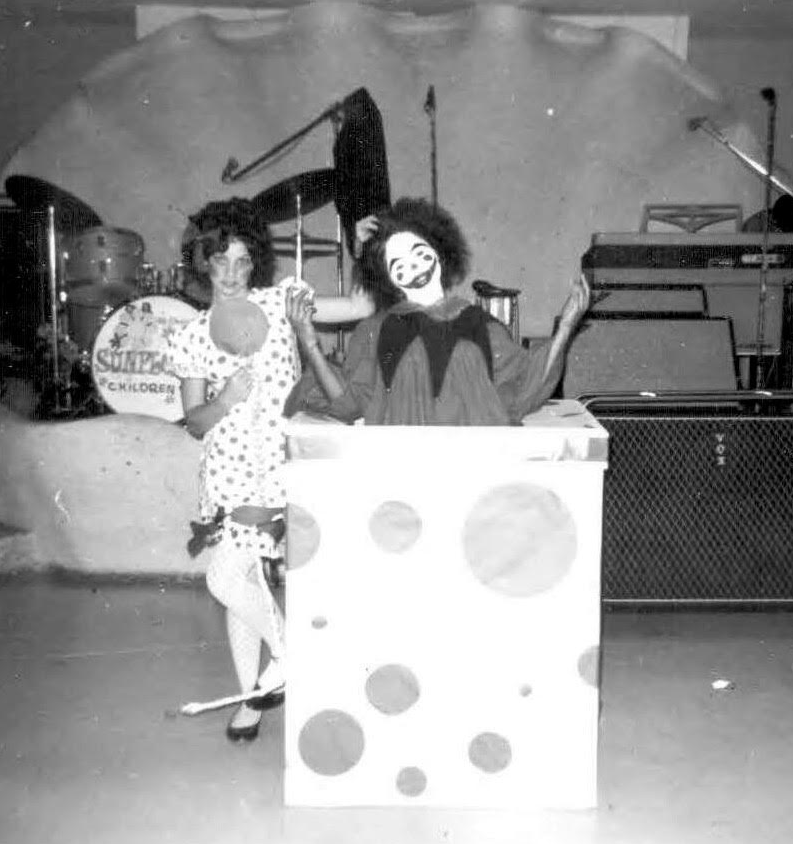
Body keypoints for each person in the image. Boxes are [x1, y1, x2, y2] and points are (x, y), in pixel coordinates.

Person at [169, 197, 373, 742]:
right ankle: (255, 696)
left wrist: (368, 243)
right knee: (246, 580)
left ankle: (288, 656)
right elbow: (194, 422)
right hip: (230, 473)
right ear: (203, 262)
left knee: (226, 578)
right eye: (220, 262)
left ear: (254, 260)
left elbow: (358, 305)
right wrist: (228, 399)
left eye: (241, 261)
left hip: (282, 465)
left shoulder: (284, 299)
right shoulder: (190, 335)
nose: (232, 273)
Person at [284, 197, 590, 425]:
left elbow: (524, 389)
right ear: (388, 278)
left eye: (418, 254)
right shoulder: (377, 331)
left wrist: (566, 328)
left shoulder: (481, 325)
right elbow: (347, 404)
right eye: (399, 265)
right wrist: (309, 343)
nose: (413, 268)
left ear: (440, 255)